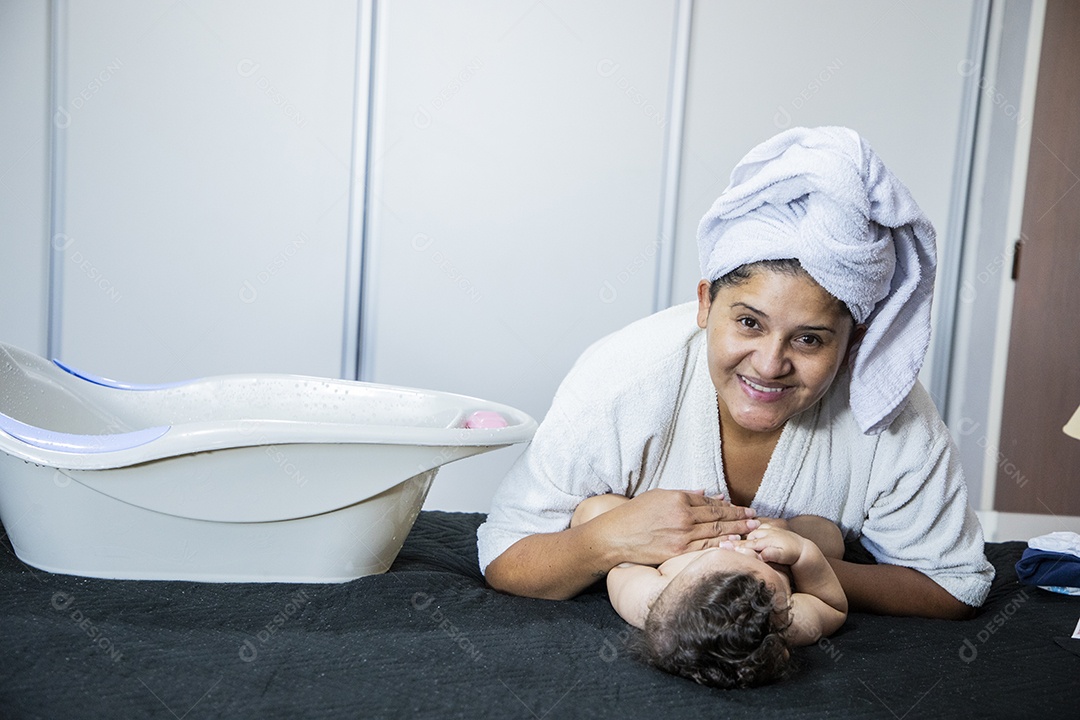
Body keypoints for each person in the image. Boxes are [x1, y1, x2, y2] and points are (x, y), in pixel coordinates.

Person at [477, 126, 994, 618]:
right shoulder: (622, 380)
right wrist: (609, 539)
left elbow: (953, 586)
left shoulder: (890, 416)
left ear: (855, 339)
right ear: (706, 304)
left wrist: (790, 567)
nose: (770, 365)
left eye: (809, 338)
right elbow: (507, 557)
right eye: (749, 323)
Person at [570, 493, 848, 688]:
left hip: (677, 537)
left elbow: (621, 566)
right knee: (829, 536)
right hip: (769, 530)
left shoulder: (655, 602)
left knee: (595, 510)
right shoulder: (784, 621)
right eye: (752, 562)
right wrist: (800, 552)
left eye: (714, 558)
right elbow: (831, 606)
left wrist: (641, 538)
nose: (731, 546)